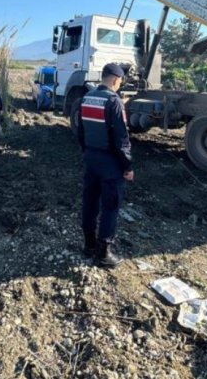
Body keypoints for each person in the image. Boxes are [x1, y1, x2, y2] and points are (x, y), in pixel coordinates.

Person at [75, 63, 134, 267]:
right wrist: (127, 166)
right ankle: (103, 252)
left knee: (90, 201)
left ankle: (88, 245)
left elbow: (80, 131)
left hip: (91, 158)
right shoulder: (114, 101)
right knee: (110, 206)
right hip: (110, 163)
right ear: (116, 80)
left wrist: (87, 152)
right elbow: (121, 139)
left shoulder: (86, 98)